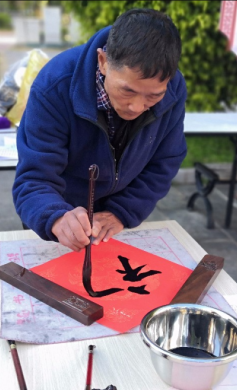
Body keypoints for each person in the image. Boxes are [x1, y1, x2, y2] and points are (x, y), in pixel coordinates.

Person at [13, 8, 186, 252]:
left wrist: (122, 211)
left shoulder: (174, 90)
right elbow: (33, 179)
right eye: (127, 91)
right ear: (103, 62)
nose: (137, 107)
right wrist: (56, 217)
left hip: (117, 222)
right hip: (58, 217)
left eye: (153, 96)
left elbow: (165, 161)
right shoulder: (54, 86)